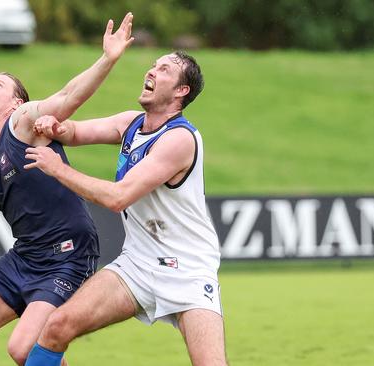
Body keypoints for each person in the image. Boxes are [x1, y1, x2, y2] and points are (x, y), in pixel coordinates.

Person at [0, 13, 134, 366]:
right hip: (26, 255)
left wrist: (107, 59)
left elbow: (68, 97)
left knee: (24, 348)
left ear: (15, 103)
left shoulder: (23, 123)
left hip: (67, 253)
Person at [23, 51, 227, 365]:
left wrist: (57, 169)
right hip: (137, 265)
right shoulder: (129, 123)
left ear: (180, 91)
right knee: (57, 327)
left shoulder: (179, 140)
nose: (152, 70)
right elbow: (75, 132)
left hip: (187, 269)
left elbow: (118, 197)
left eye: (164, 69)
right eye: (154, 65)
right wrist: (56, 127)